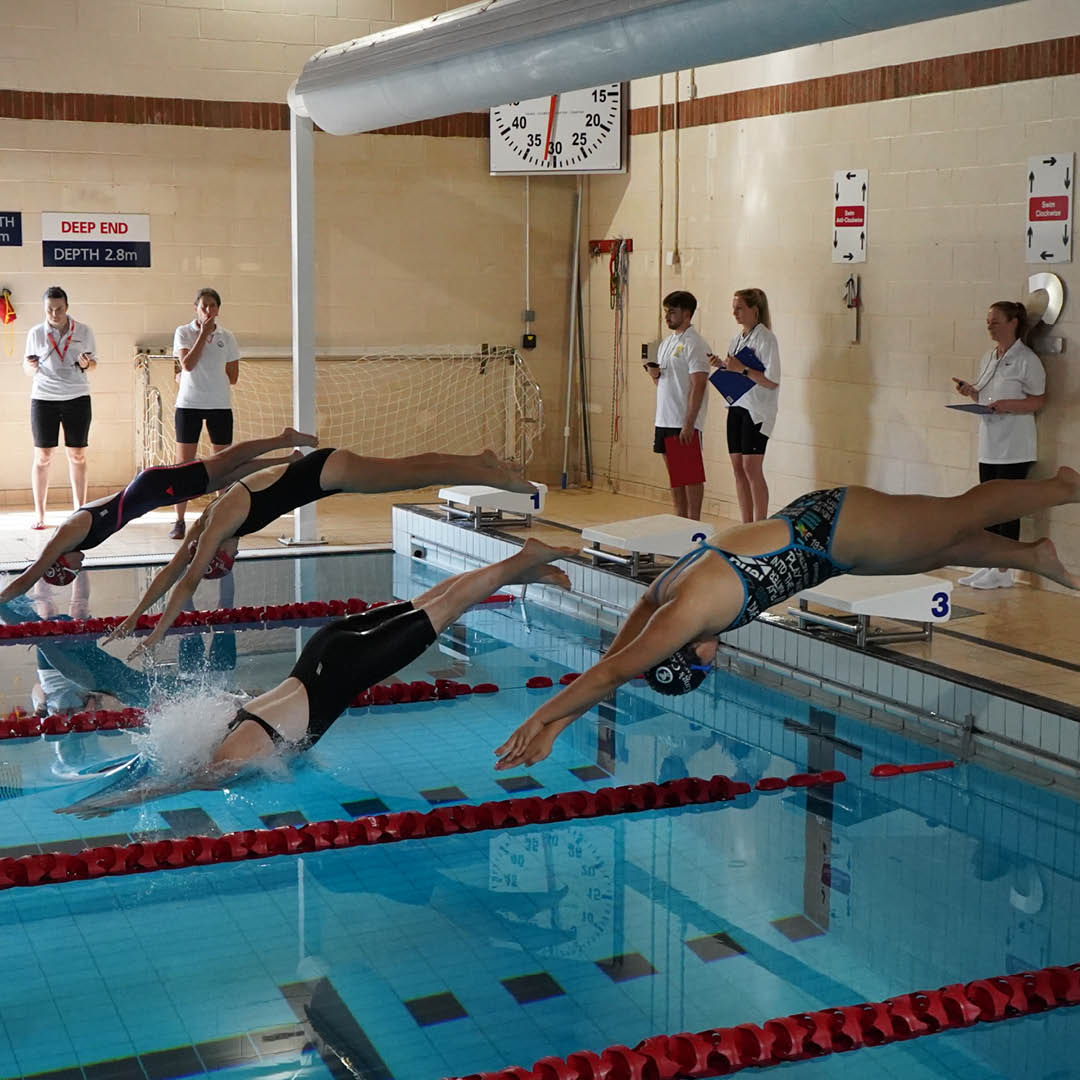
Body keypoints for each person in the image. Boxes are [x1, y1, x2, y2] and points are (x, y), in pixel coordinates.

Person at [494, 469, 1080, 769]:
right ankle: (1034, 557)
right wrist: (559, 729)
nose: (714, 661)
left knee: (957, 516)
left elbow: (611, 673)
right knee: (934, 550)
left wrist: (537, 719)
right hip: (829, 536)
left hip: (839, 530)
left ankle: (1062, 487)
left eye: (704, 667)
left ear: (686, 650)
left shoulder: (692, 612)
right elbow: (614, 664)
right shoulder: (666, 596)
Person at [60, 539, 574, 817]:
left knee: (444, 608)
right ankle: (522, 569)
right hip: (324, 650)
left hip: (345, 665)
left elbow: (188, 783)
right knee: (428, 602)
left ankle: (522, 560)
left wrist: (116, 803)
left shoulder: (228, 755)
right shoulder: (227, 725)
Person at [104, 447, 538, 655]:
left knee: (411, 473)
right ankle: (480, 461)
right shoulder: (205, 525)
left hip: (327, 473)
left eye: (227, 562)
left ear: (220, 555)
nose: (233, 560)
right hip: (322, 470)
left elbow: (187, 583)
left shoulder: (219, 526)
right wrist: (133, 619)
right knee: (408, 467)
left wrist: (156, 635)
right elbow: (171, 572)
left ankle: (494, 474)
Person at [0, 428, 317, 604]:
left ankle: (283, 439)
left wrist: (3, 598)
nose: (79, 567)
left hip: (154, 486)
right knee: (223, 478)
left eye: (71, 569)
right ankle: (288, 460)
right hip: (155, 495)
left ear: (59, 561)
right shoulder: (74, 543)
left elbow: (30, 576)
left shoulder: (66, 536)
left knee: (226, 461)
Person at [952, 300, 1047, 589]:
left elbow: (1038, 400)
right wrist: (971, 393)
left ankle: (1005, 570)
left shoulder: (1027, 359)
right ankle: (989, 563)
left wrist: (1008, 405)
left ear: (1013, 323)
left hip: (1015, 447)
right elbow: (985, 397)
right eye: (988, 322)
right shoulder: (989, 357)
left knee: (1006, 509)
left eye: (995, 322)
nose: (990, 327)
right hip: (990, 444)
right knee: (987, 508)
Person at [23, 286, 97, 529]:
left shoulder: (84, 331)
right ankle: (40, 515)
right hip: (44, 398)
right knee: (43, 456)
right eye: (49, 310)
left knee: (77, 454)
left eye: (59, 309)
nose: (54, 314)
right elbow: (27, 369)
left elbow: (94, 364)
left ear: (67, 307)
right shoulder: (36, 333)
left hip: (77, 396)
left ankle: (79, 511)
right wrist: (31, 366)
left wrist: (86, 364)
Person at [170, 287, 241, 539]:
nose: (208, 310)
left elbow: (233, 376)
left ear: (218, 310)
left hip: (219, 405)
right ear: (196, 309)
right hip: (189, 404)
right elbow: (187, 365)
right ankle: (179, 520)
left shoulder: (227, 337)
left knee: (222, 464)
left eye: (213, 306)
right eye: (204, 306)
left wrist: (214, 379)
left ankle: (220, 519)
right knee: (184, 465)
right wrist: (203, 334)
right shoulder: (183, 332)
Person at [709, 288, 780, 522]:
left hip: (757, 410)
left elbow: (771, 380)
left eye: (739, 308)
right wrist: (723, 366)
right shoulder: (737, 339)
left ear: (754, 310)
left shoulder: (766, 338)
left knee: (751, 467)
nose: (734, 313)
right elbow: (735, 373)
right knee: (738, 466)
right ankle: (746, 523)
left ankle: (760, 523)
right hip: (736, 405)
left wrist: (743, 369)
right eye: (733, 308)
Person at [646, 291, 711, 520]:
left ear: (687, 313)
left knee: (690, 476)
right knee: (676, 477)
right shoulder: (667, 343)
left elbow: (699, 385)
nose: (667, 316)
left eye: (672, 312)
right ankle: (680, 519)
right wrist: (654, 375)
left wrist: (689, 423)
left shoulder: (695, 343)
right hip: (664, 418)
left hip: (682, 420)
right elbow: (665, 383)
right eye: (666, 311)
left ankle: (694, 523)